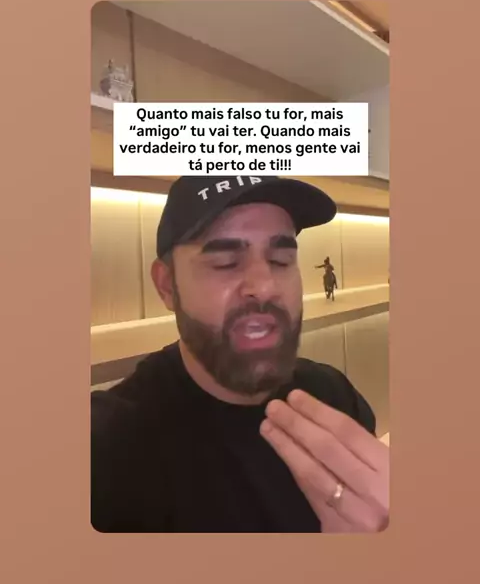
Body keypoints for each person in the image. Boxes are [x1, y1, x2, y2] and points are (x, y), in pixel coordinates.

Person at [91, 175, 389, 533]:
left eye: (281, 260)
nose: (264, 287)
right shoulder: (107, 450)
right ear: (167, 285)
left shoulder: (334, 397)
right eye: (226, 262)